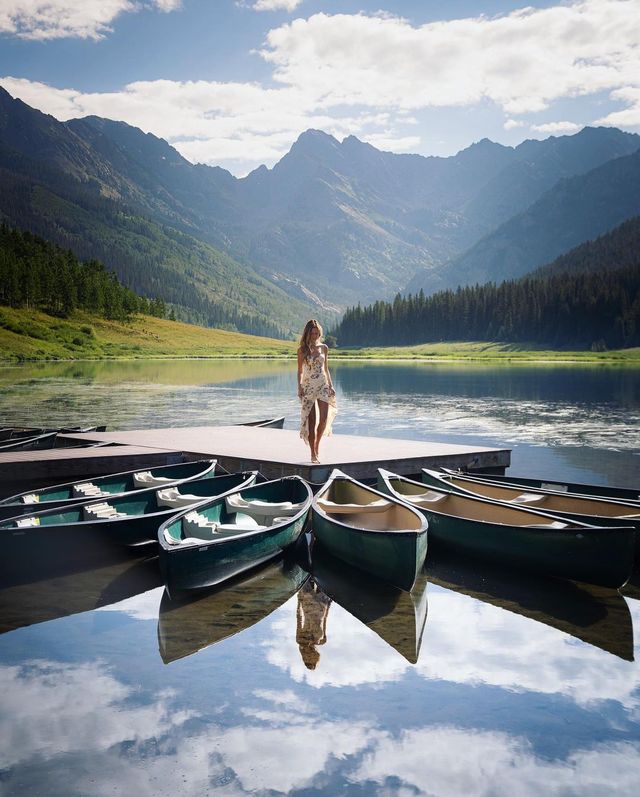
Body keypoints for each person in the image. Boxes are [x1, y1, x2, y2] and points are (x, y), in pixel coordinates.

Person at [297, 319, 337, 463]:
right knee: (312, 421)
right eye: (312, 333)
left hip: (323, 386)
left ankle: (317, 445)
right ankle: (313, 454)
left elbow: (326, 369)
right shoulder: (302, 350)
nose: (315, 336)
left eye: (317, 333)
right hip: (308, 388)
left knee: (324, 419)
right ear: (308, 333)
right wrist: (299, 386)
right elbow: (300, 371)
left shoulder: (324, 348)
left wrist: (331, 385)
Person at [296, 579, 332, 670]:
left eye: (308, 659)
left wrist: (299, 601)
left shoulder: (301, 640)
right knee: (322, 578)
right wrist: (328, 605)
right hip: (321, 605)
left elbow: (299, 619)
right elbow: (325, 621)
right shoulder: (322, 641)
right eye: (313, 659)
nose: (310, 656)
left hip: (307, 605)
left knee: (308, 578)